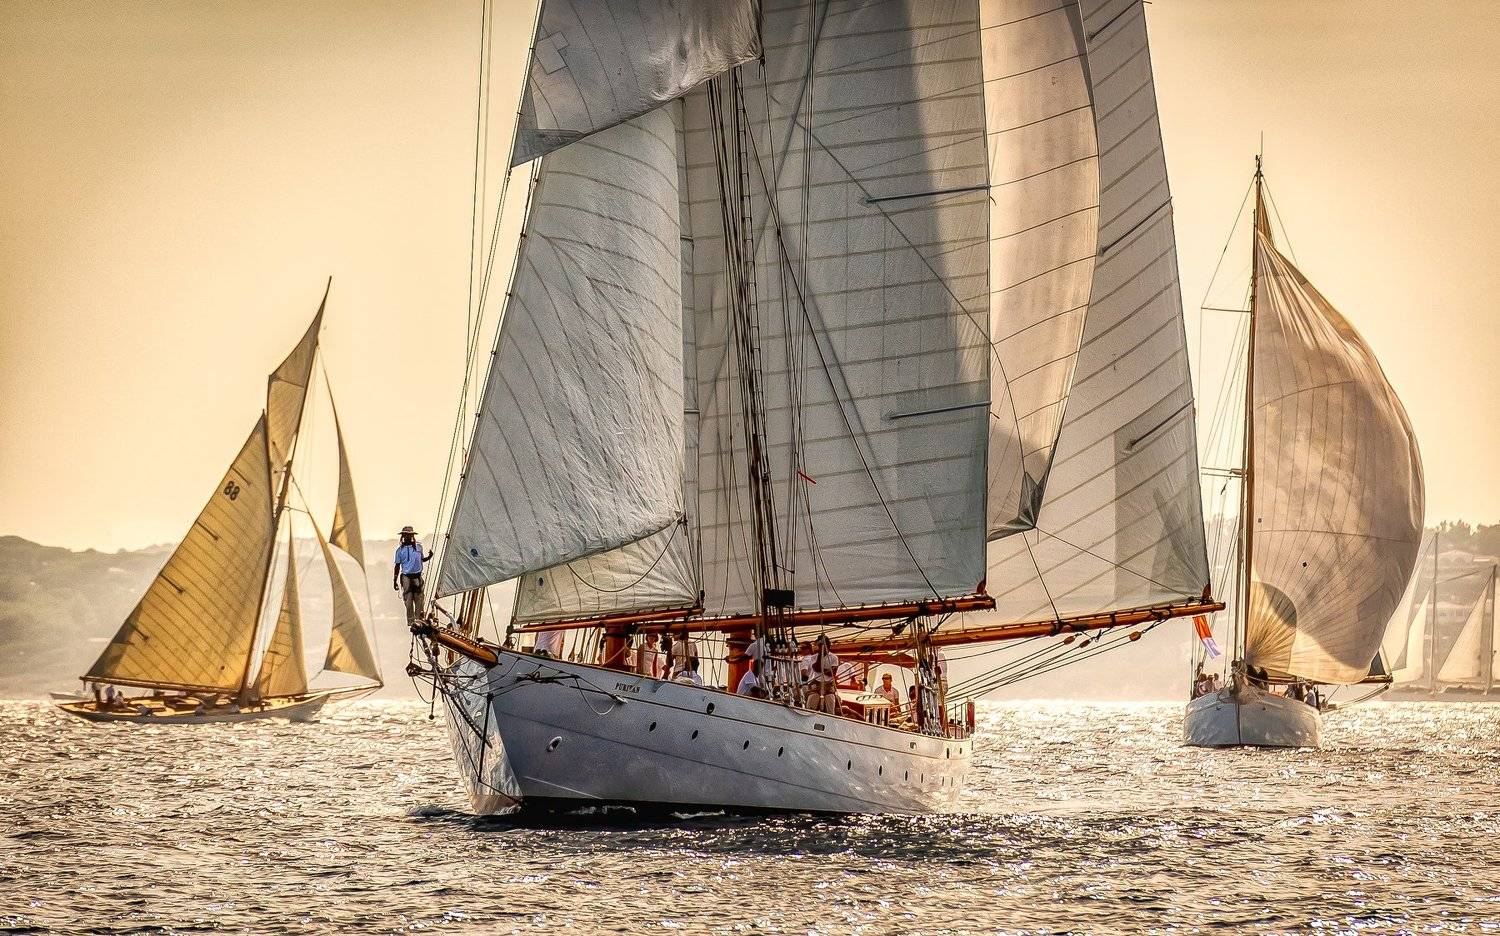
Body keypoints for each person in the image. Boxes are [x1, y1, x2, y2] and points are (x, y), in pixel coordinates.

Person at [392, 526, 434, 628]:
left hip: (417, 576)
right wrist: (395, 580)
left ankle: (419, 620)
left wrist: (429, 557)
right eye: (405, 535)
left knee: (419, 599)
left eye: (409, 535)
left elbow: (421, 560)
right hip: (406, 577)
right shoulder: (400, 551)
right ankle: (411, 622)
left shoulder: (419, 547)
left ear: (412, 536)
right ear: (403, 536)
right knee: (408, 599)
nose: (407, 537)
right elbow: (397, 566)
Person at [804, 635, 839, 716]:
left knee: (830, 700)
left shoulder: (834, 658)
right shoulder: (814, 657)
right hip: (816, 683)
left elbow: (832, 673)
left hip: (829, 685)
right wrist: (821, 654)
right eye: (819, 646)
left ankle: (831, 718)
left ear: (828, 646)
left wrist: (825, 670)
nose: (820, 648)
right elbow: (816, 668)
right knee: (812, 699)